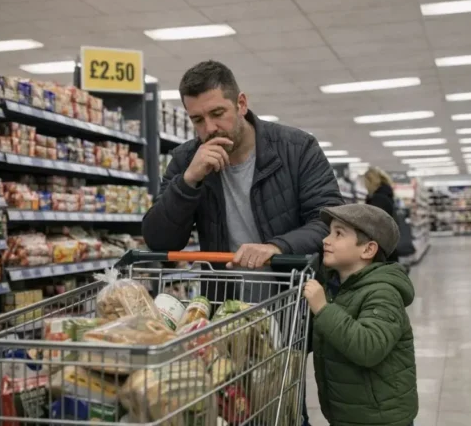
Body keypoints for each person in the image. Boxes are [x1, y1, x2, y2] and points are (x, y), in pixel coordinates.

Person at [141, 60, 343, 426]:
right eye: (197, 120)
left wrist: (278, 246)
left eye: (218, 113)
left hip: (288, 308)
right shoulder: (187, 159)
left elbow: (330, 222)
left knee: (282, 410)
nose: (209, 128)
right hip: (223, 315)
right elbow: (158, 240)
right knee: (228, 413)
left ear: (242, 104)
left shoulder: (296, 148)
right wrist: (188, 182)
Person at [303, 204, 417, 426]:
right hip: (349, 414)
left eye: (338, 234)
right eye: (329, 232)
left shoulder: (383, 292)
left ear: (368, 250)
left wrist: (323, 309)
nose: (326, 240)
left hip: (381, 419)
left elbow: (369, 348)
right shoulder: (336, 288)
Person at [363, 167, 414, 263]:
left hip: (382, 247)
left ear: (370, 181)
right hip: (389, 244)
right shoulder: (386, 195)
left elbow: (376, 224)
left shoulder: (378, 199)